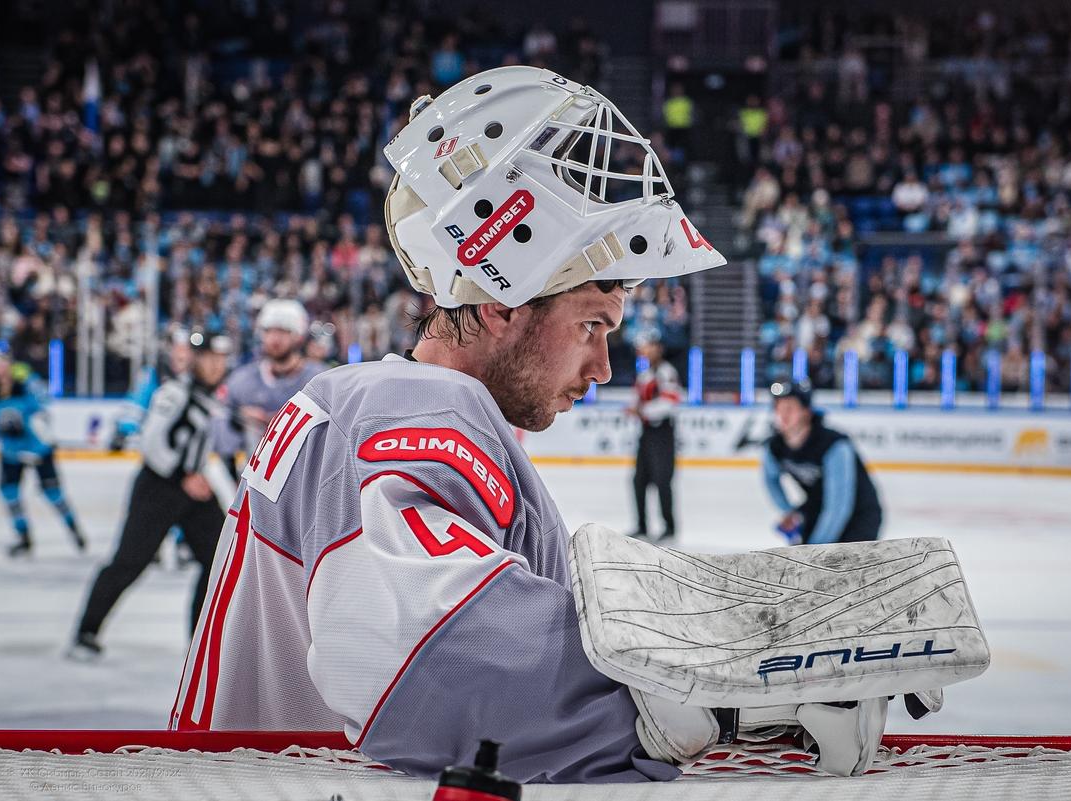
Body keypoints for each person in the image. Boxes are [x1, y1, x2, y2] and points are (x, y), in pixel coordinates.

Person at [171, 67, 729, 782]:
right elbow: (424, 655)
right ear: (501, 305)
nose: (603, 368)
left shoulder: (365, 399)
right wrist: (715, 694)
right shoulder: (414, 406)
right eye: (592, 324)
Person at [71, 332, 232, 659]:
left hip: (193, 486)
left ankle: (200, 644)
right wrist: (182, 475)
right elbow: (151, 441)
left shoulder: (212, 397)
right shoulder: (174, 393)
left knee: (221, 560)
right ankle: (86, 632)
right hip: (159, 487)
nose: (215, 366)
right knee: (130, 561)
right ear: (195, 360)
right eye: (208, 358)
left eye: (220, 359)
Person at [214, 299, 327, 479]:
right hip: (251, 476)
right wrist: (238, 420)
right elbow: (219, 425)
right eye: (269, 331)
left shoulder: (320, 379)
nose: (274, 338)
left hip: (303, 477)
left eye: (283, 331)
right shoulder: (241, 379)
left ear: (298, 335)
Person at [762, 381, 882, 545]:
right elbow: (770, 478)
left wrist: (815, 550)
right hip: (817, 509)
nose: (782, 415)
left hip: (859, 516)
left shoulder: (834, 446)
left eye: (789, 408)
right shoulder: (776, 446)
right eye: (778, 408)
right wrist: (788, 511)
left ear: (806, 412)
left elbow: (838, 506)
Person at [0, 344, 86, 557]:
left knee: (53, 494)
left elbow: (43, 404)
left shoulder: (25, 379)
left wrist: (30, 423)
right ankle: (24, 537)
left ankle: (74, 530)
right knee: (9, 493)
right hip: (12, 450)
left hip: (38, 449)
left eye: (1, 362)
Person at [628, 334, 681, 542]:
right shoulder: (645, 375)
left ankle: (669, 527)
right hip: (647, 433)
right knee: (639, 480)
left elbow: (670, 402)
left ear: (658, 348)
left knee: (662, 480)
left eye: (649, 347)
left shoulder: (666, 373)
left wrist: (643, 412)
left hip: (662, 434)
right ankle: (642, 525)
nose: (645, 351)